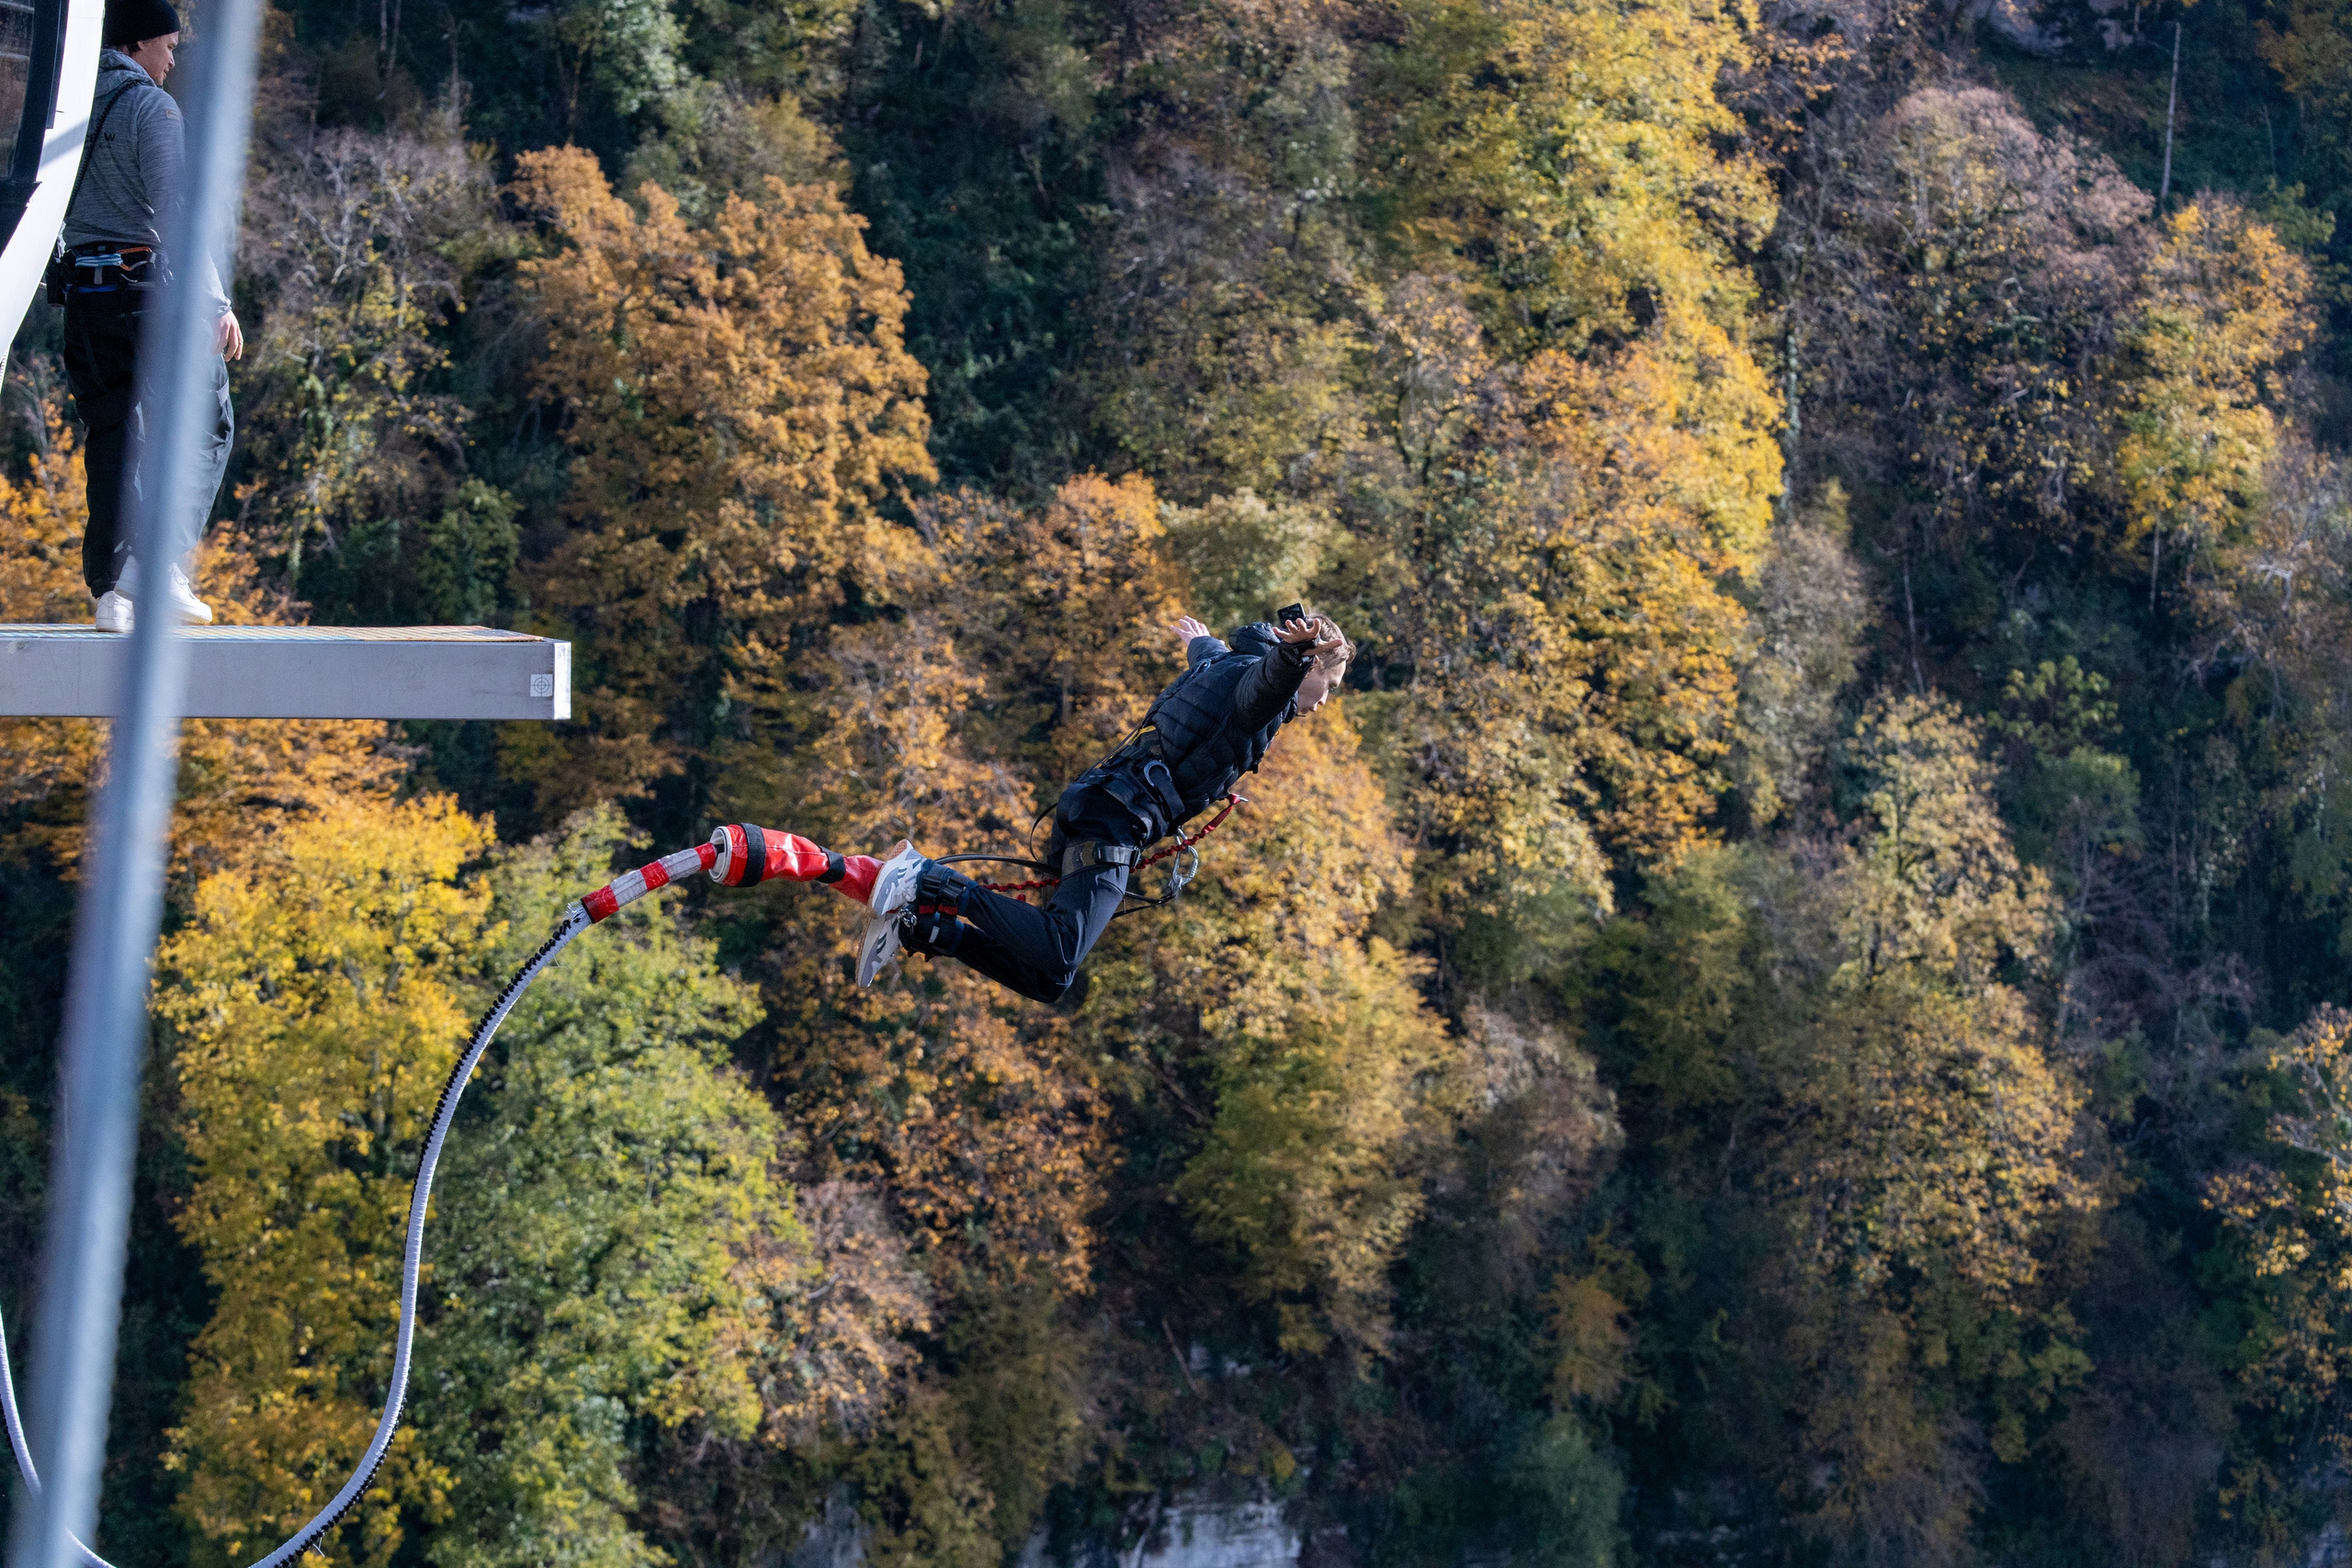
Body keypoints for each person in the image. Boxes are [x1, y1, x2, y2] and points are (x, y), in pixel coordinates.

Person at [714, 611, 1351, 1001]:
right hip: (1113, 820)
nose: (1323, 702)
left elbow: (1210, 653)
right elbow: (1266, 686)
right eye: (1326, 685)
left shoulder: (1224, 662)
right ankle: (932, 882)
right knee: (1059, 950)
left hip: (1099, 805)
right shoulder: (1260, 688)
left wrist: (1201, 638)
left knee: (1050, 979)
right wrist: (1292, 658)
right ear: (1306, 669)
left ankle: (925, 928)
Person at [58, 0, 242, 633]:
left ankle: (113, 592)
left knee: (113, 436)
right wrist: (215, 304)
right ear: (136, 44)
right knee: (207, 422)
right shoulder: (151, 108)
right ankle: (155, 563)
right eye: (167, 46)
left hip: (85, 298)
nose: (171, 61)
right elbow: (176, 213)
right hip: (147, 296)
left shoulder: (68, 106)